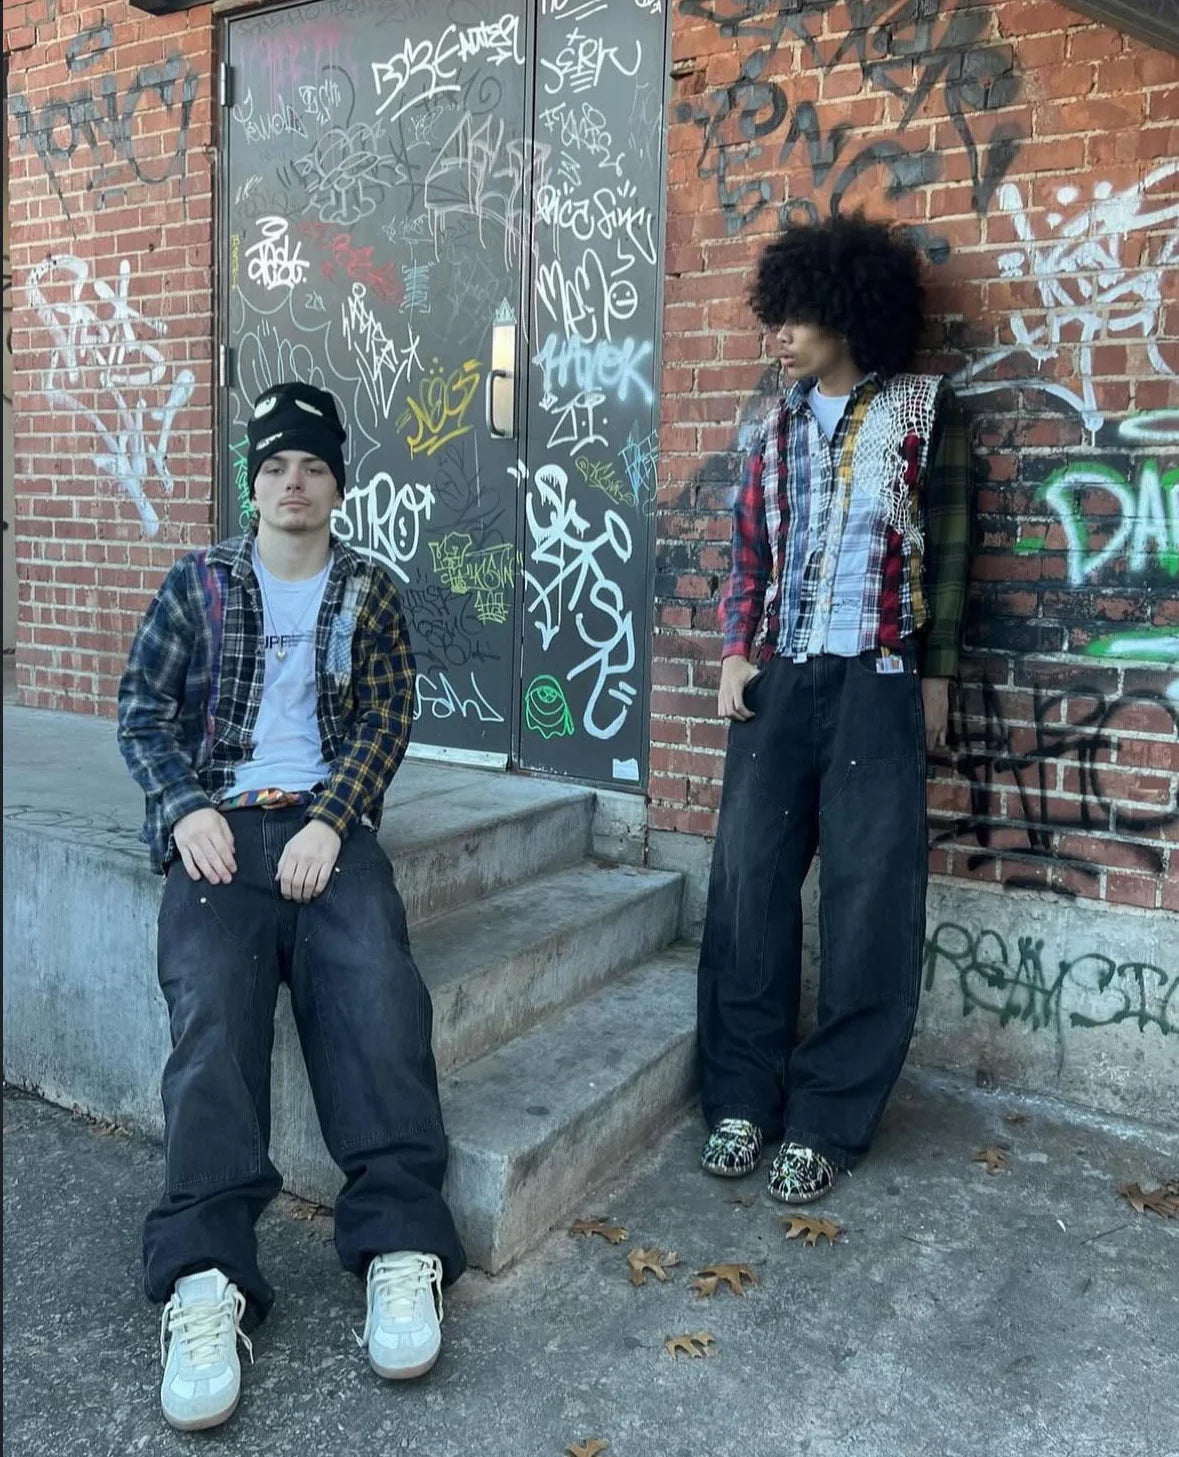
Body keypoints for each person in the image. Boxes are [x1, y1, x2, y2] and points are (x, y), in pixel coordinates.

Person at [118, 381, 464, 1432]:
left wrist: (331, 819)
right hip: (219, 828)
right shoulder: (199, 583)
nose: (293, 482)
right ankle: (204, 1273)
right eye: (274, 466)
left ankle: (399, 1241)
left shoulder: (372, 589)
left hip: (325, 829)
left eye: (312, 465)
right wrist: (185, 810)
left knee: (377, 988)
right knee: (211, 1005)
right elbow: (141, 709)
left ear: (337, 484)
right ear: (253, 482)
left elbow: (386, 717)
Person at [696, 213, 970, 1204]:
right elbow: (749, 554)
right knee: (748, 888)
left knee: (868, 902)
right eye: (773, 315)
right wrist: (736, 651)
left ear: (849, 314)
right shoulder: (770, 426)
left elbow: (952, 547)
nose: (779, 334)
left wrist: (934, 677)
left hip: (877, 678)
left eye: (797, 315)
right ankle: (741, 1095)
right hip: (779, 680)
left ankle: (827, 1118)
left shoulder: (923, 412)